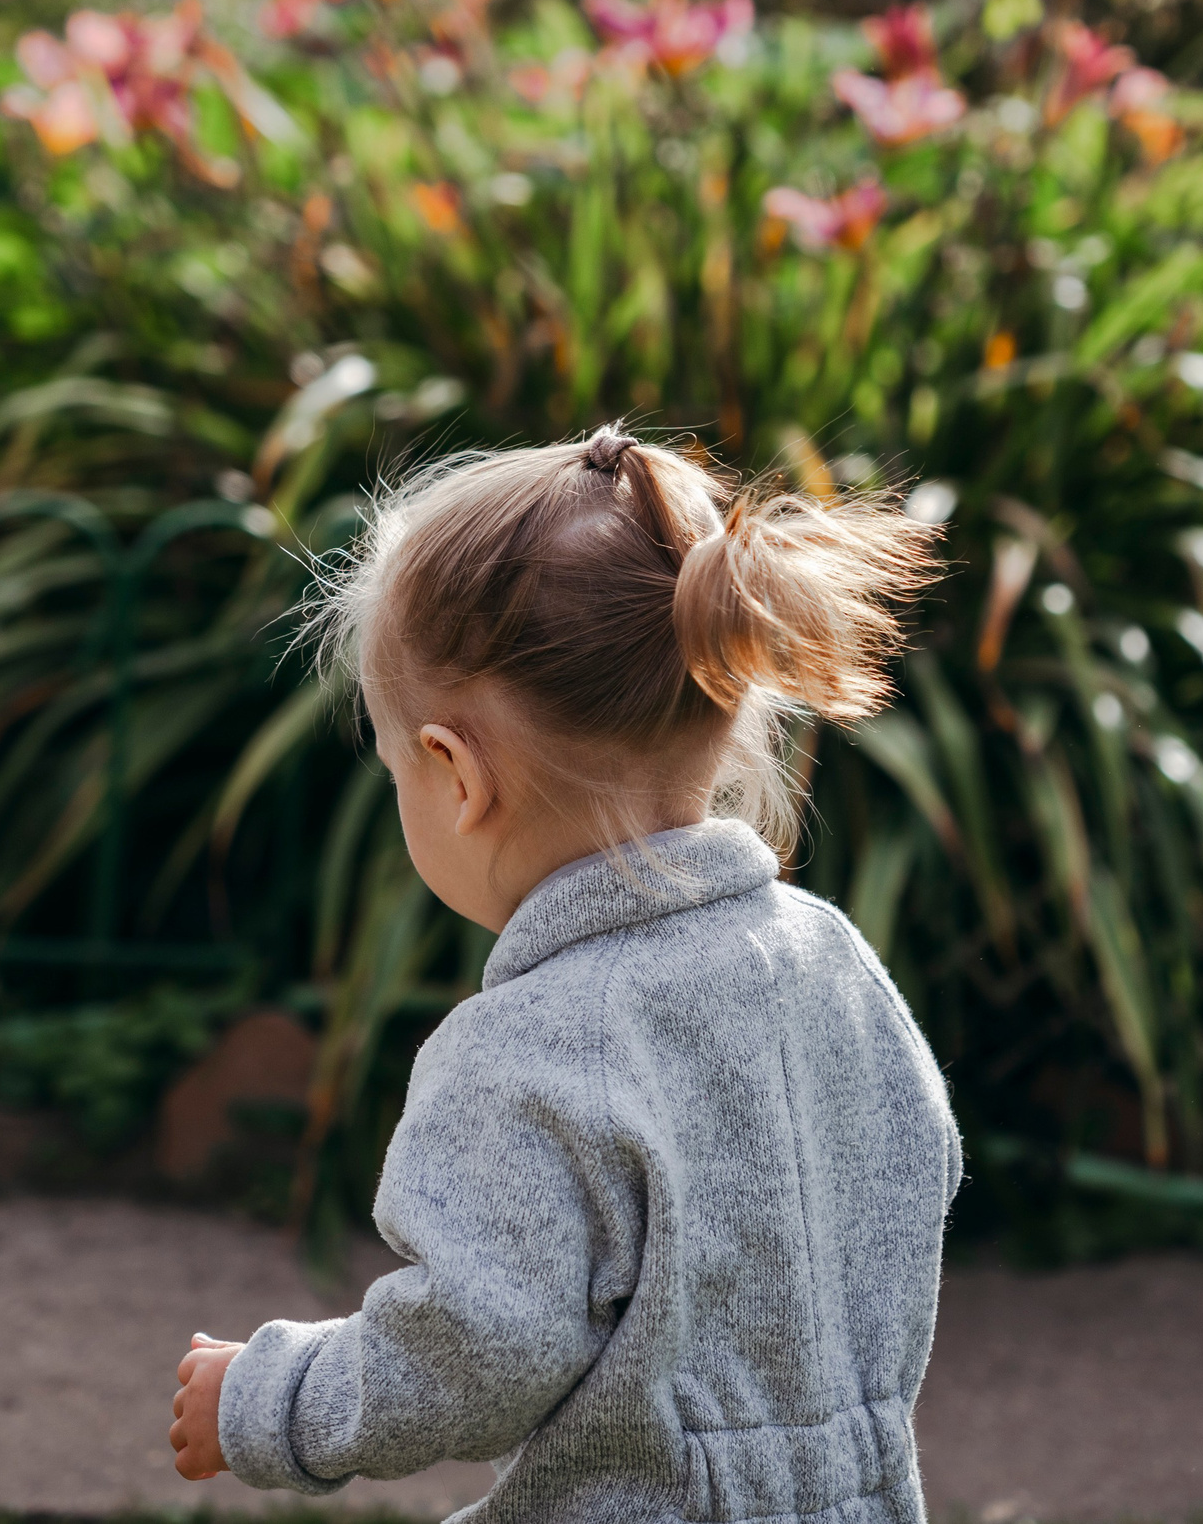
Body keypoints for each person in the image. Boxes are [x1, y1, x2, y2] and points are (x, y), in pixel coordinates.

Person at [168, 425, 963, 1524]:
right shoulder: (830, 959)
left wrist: (272, 1398)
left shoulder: (530, 1046)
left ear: (453, 774)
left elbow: (475, 1348)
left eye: (397, 768)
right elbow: (917, 1173)